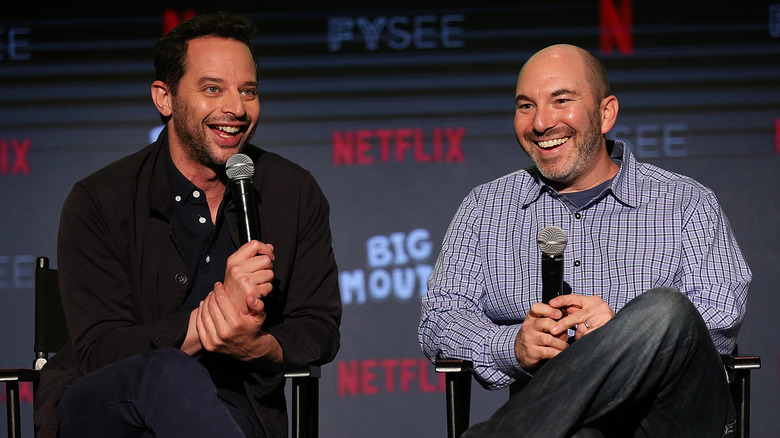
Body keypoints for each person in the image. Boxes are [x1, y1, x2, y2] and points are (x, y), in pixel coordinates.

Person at [34, 13, 341, 438]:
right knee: (167, 371)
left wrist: (257, 346)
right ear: (164, 98)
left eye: (247, 91)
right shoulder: (101, 199)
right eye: (212, 88)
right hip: (105, 405)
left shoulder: (293, 191)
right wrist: (208, 321)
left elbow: (319, 327)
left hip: (229, 404)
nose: (235, 108)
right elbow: (99, 350)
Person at [418, 44, 751, 437]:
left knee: (666, 309)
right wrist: (513, 346)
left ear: (605, 113)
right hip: (560, 424)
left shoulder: (685, 202)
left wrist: (624, 334)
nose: (540, 123)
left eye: (561, 101)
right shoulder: (486, 208)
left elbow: (718, 318)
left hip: (670, 416)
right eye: (525, 106)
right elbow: (440, 319)